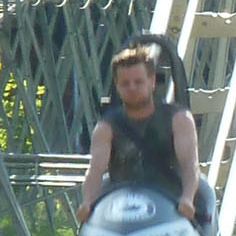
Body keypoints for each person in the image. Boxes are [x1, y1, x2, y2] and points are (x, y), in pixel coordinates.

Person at [79, 43, 203, 226]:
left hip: (170, 207)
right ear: (117, 86)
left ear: (152, 82)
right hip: (122, 209)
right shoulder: (107, 127)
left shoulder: (179, 119)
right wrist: (87, 203)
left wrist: (187, 199)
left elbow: (189, 163)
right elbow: (96, 170)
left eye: (138, 82)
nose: (132, 88)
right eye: (125, 84)